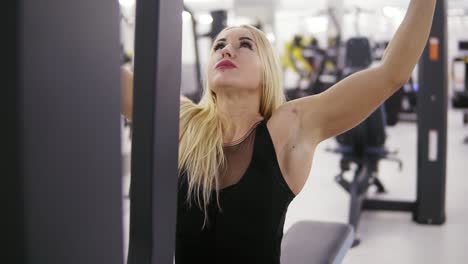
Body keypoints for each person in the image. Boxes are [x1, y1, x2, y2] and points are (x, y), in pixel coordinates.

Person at [121, 1, 436, 262]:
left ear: (266, 70)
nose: (226, 51)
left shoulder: (288, 129)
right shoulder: (182, 121)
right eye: (219, 45)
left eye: (244, 45)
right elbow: (104, 71)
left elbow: (390, 74)